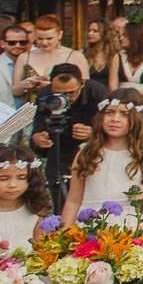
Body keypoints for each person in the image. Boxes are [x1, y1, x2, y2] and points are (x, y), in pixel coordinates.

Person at [62, 87, 143, 232]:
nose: (115, 119)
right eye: (109, 112)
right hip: (92, 224)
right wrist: (64, 233)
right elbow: (73, 200)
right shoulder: (87, 152)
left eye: (124, 114)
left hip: (132, 222)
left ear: (138, 118)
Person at [29, 64, 109, 212]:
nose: (66, 98)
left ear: (82, 84)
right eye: (59, 94)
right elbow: (38, 126)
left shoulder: (97, 93)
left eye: (71, 93)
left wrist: (94, 133)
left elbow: (114, 126)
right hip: (58, 148)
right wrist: (38, 138)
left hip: (92, 151)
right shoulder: (45, 95)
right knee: (59, 195)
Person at [0, 144, 49, 252]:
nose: (13, 185)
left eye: (21, 177)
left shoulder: (36, 210)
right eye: (4, 178)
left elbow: (41, 248)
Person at [13, 14, 90, 102]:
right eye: (40, 38)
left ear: (60, 35)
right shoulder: (24, 57)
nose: (44, 42)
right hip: (32, 108)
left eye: (49, 38)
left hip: (65, 106)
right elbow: (15, 91)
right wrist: (24, 85)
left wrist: (53, 86)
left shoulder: (75, 56)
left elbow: (85, 88)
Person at [109, 21, 143, 137]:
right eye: (120, 35)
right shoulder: (118, 57)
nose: (121, 38)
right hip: (121, 101)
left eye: (124, 36)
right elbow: (113, 84)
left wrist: (139, 100)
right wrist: (121, 101)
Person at [83, 19, 119, 89]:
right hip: (88, 91)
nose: (90, 33)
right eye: (89, 30)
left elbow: (113, 84)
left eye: (95, 31)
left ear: (105, 33)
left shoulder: (113, 55)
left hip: (107, 92)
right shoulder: (84, 53)